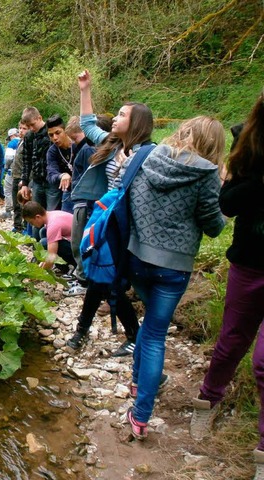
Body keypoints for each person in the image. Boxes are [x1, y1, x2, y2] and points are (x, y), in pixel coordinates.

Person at [123, 115, 227, 441]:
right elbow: (213, 226)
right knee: (155, 334)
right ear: (213, 145)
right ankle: (140, 416)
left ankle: (138, 381)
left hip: (136, 257)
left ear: (182, 130)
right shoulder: (207, 173)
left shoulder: (148, 155)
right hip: (174, 267)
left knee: (148, 329)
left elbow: (129, 199)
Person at [190, 94, 264, 476]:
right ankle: (208, 400)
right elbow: (228, 202)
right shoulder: (248, 141)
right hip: (250, 262)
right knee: (231, 342)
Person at [65, 69, 154, 357]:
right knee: (99, 276)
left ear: (136, 124)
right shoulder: (113, 144)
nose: (114, 118)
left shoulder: (150, 154)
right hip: (106, 220)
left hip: (127, 227)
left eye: (121, 115)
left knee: (105, 278)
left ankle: (126, 335)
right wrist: (84, 89)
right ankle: (96, 332)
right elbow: (88, 124)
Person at [64, 115, 112, 296]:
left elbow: (86, 178)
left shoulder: (87, 150)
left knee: (80, 242)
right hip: (89, 202)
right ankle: (83, 277)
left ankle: (83, 280)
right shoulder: (93, 150)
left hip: (84, 202)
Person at [19, 107, 52, 238]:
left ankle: (49, 247)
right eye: (28, 126)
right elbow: (26, 161)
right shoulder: (29, 136)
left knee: (50, 215)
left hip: (52, 182)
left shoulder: (50, 133)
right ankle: (36, 249)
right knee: (34, 216)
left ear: (39, 118)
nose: (31, 128)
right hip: (37, 181)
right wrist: (25, 184)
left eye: (32, 125)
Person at [21, 200, 76, 270]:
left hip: (81, 252)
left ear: (37, 217)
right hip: (77, 240)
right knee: (43, 232)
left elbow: (52, 256)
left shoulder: (53, 225)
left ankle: (65, 268)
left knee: (44, 243)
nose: (32, 225)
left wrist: (40, 273)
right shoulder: (51, 215)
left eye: (31, 222)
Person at [45, 114, 74, 214]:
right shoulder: (52, 151)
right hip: (68, 190)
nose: (55, 138)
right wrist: (62, 175)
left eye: (58, 133)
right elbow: (51, 174)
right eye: (51, 135)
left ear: (65, 131)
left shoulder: (78, 145)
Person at [11, 122, 30, 233]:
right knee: (16, 204)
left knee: (24, 204)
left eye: (24, 128)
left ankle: (25, 227)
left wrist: (24, 179)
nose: (21, 130)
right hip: (15, 175)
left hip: (22, 177)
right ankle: (17, 226)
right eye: (20, 128)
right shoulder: (20, 142)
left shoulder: (29, 143)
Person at [1, 128, 20, 220]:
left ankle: (9, 210)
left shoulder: (12, 144)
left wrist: (6, 167)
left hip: (12, 171)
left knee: (8, 190)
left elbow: (8, 158)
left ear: (12, 136)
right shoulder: (25, 141)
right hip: (23, 172)